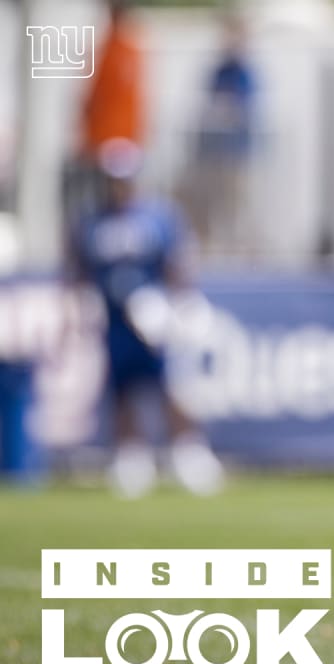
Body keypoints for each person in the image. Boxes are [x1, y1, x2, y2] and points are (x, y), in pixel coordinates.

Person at [65, 138, 223, 498]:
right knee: (122, 389)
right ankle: (129, 456)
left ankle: (188, 452)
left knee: (169, 385)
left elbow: (177, 263)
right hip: (115, 319)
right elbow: (79, 268)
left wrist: (179, 305)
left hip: (155, 316)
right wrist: (80, 302)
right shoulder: (90, 221)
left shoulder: (158, 216)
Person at [180, 13, 259, 261]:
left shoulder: (246, 73)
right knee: (211, 204)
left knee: (237, 205)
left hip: (237, 154)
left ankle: (238, 249)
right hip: (214, 154)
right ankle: (212, 248)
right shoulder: (218, 71)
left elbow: (245, 110)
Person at [65, 0, 147, 230]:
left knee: (115, 199)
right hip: (104, 141)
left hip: (114, 141)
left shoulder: (123, 49)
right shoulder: (112, 48)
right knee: (100, 201)